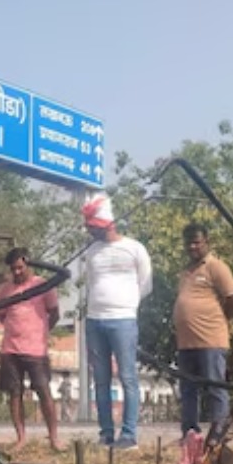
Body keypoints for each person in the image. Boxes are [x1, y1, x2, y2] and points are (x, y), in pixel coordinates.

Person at [81, 192, 152, 449]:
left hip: (123, 320)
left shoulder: (135, 248)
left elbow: (145, 284)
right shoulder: (91, 252)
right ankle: (106, 433)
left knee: (128, 377)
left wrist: (126, 305)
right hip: (94, 320)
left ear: (104, 224)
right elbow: (91, 282)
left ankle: (129, 434)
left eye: (91, 226)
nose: (89, 231)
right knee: (100, 380)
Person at [173, 223, 233, 437]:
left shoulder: (216, 267)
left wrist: (221, 320)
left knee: (215, 386)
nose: (192, 247)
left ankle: (219, 429)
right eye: (188, 243)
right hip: (186, 343)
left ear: (206, 242)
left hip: (211, 340)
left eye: (197, 242)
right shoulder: (185, 271)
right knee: (188, 389)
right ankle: (189, 431)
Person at [0, 248, 65, 452]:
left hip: (36, 349)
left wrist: (41, 331)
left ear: (28, 265)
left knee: (44, 391)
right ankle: (20, 438)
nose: (17, 272)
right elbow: (2, 316)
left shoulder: (42, 285)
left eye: (20, 267)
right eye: (13, 269)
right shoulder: (5, 290)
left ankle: (54, 438)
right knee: (14, 393)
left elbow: (54, 313)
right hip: (10, 349)